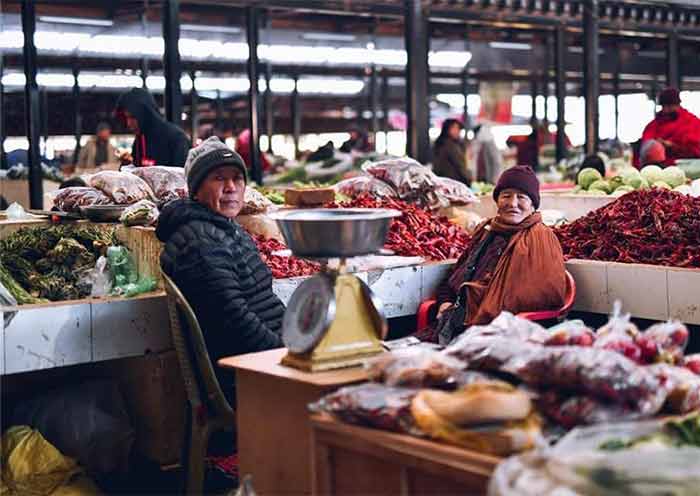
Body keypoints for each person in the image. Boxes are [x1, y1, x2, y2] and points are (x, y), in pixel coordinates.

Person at [156, 136, 284, 402]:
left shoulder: (226, 229)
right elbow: (234, 321)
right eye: (218, 178)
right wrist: (287, 354)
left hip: (266, 359)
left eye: (237, 178)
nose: (231, 187)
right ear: (195, 191)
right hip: (244, 374)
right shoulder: (199, 243)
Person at [417, 165, 567, 344]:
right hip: (454, 325)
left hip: (498, 337)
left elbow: (542, 295)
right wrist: (445, 301)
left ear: (533, 204)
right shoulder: (487, 232)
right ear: (497, 201)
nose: (512, 203)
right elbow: (455, 276)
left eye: (521, 197)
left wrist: (475, 295)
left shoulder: (541, 238)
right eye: (506, 196)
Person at [114, 87, 190, 167]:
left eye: (133, 117)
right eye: (126, 118)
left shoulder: (177, 139)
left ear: (146, 113)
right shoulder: (140, 141)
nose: (128, 123)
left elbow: (183, 176)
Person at [635, 88, 700, 167]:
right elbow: (644, 149)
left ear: (678, 104)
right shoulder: (653, 125)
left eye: (669, 106)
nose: (666, 110)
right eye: (663, 106)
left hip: (685, 167)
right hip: (655, 169)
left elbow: (696, 150)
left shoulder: (692, 123)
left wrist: (672, 146)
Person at [432, 119, 471, 185]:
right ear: (447, 129)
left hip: (444, 182)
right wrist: (468, 179)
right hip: (453, 183)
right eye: (454, 128)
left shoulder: (441, 142)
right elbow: (459, 165)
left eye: (458, 128)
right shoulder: (449, 145)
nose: (457, 131)